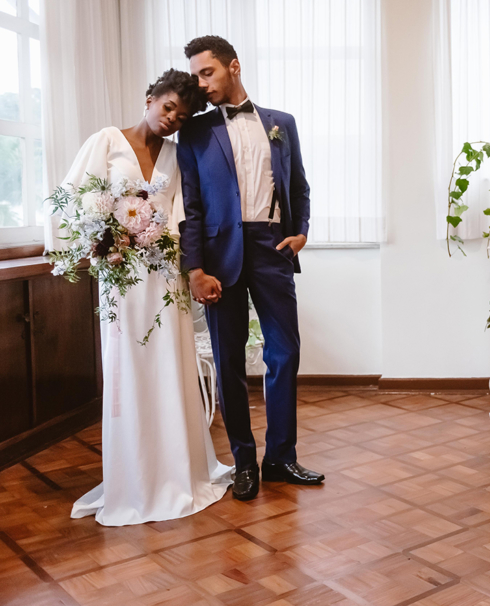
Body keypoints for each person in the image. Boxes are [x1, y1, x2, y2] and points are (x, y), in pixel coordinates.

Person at [64, 70, 234, 526]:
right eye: (168, 108)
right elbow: (77, 199)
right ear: (149, 99)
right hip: (121, 279)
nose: (173, 119)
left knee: (169, 367)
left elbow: (184, 215)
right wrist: (105, 241)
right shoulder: (106, 142)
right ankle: (133, 478)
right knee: (128, 372)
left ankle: (180, 470)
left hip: (165, 278)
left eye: (182, 115)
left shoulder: (180, 157)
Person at [177, 35, 323, 501]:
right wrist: (194, 269)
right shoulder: (195, 132)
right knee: (228, 360)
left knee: (285, 353)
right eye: (196, 75)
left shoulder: (282, 124)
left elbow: (298, 183)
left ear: (233, 67)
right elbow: (192, 208)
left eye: (208, 73)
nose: (201, 84)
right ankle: (244, 461)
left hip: (272, 246)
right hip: (221, 255)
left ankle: (280, 456)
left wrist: (300, 231)